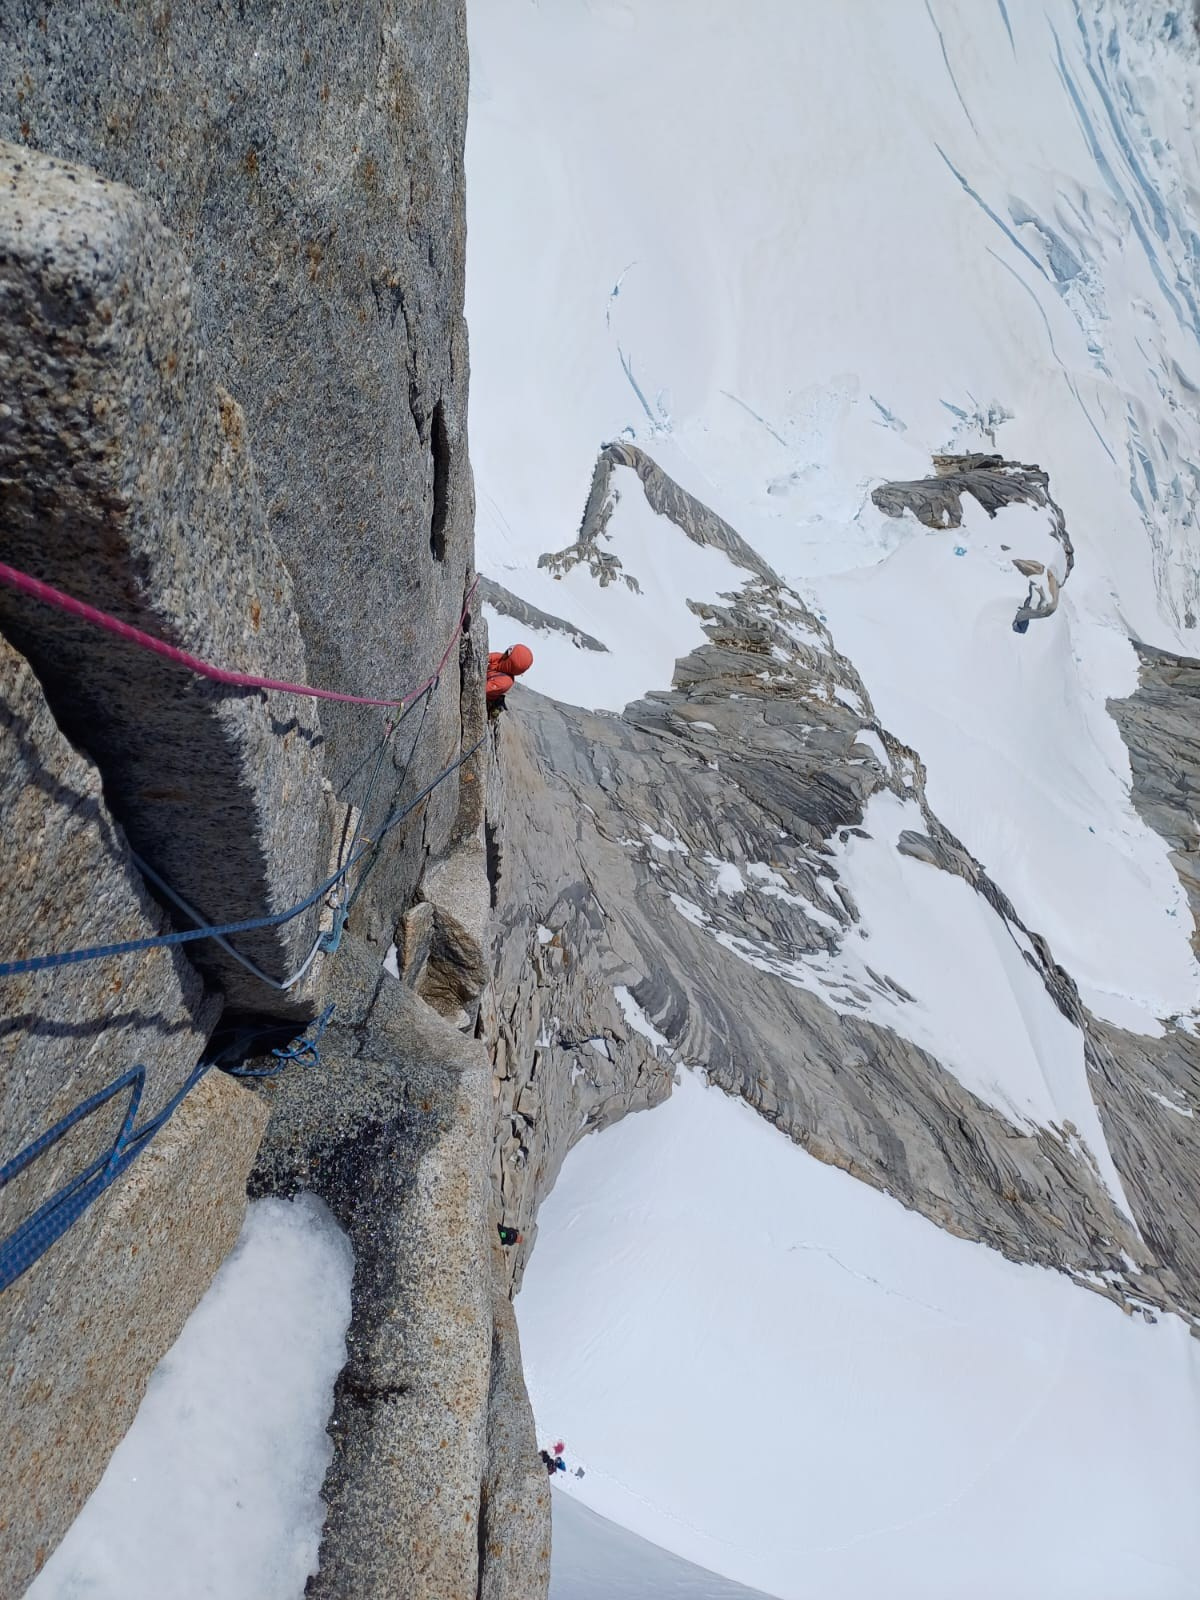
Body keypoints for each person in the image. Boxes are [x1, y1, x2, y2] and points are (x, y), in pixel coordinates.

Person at [486, 643, 534, 710]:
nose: (504, 653)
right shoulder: (501, 659)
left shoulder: (505, 682)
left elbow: (483, 689)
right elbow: (485, 657)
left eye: (508, 652)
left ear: (510, 661)